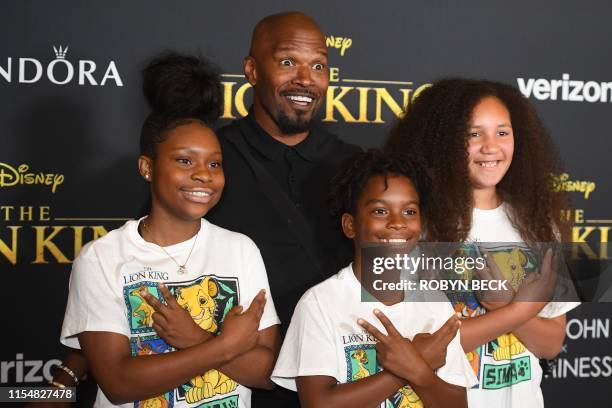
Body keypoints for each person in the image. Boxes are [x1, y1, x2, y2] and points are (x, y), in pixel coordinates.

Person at [60, 52, 280, 407]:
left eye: (215, 163)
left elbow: (268, 373)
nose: (203, 174)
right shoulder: (102, 258)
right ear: (147, 168)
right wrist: (223, 345)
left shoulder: (240, 250)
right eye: (184, 161)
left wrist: (194, 337)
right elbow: (117, 383)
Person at [386, 78, 580, 407]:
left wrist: (505, 306)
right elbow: (418, 349)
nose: (491, 146)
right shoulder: (416, 224)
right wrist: (514, 309)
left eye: (502, 132)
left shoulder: (538, 223)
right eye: (474, 134)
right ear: (445, 141)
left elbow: (551, 344)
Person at [206, 11, 360, 406]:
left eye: (319, 66)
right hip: (234, 381)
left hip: (341, 379)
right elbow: (151, 257)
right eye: (288, 62)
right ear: (252, 70)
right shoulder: (209, 161)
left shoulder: (356, 166)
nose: (305, 79)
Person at [272, 149, 478, 408]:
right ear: (350, 225)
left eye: (410, 211)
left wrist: (419, 371)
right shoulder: (320, 303)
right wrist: (410, 364)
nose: (397, 223)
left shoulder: (434, 303)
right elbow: (318, 403)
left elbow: (458, 404)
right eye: (380, 211)